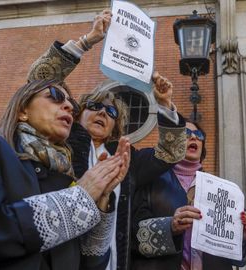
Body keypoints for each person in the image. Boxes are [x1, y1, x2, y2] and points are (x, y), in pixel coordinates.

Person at [27, 9, 187, 270]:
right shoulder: (57, 141)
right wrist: (87, 40)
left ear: (116, 126)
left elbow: (171, 152)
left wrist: (165, 104)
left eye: (111, 111)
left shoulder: (128, 158)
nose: (102, 111)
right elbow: (36, 84)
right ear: (78, 114)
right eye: (94, 105)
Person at [0, 79, 131, 270]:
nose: (69, 106)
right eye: (55, 96)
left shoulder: (65, 180)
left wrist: (102, 201)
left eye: (73, 105)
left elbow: (90, 265)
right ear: (23, 110)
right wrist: (79, 198)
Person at [131, 121, 246, 270]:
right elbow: (131, 235)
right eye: (186, 134)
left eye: (198, 135)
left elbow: (238, 260)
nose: (193, 138)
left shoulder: (223, 190)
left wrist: (240, 237)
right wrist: (170, 227)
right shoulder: (151, 180)